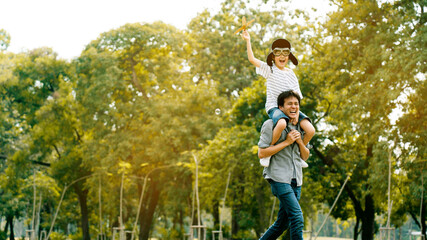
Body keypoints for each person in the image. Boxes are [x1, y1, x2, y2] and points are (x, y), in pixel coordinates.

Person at [241, 30, 315, 167]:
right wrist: (248, 40)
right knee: (281, 124)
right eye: (278, 53)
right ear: (273, 56)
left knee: (310, 130)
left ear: (289, 56)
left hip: (290, 108)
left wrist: (296, 113)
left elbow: (297, 96)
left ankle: (298, 154)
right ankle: (269, 152)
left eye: (285, 54)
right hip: (275, 107)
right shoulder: (270, 69)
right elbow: (252, 59)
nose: (282, 57)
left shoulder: (291, 73)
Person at [257, 90, 309, 240]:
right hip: (278, 177)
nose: (293, 107)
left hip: (296, 180)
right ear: (281, 107)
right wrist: (287, 142)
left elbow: (304, 156)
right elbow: (262, 153)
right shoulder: (270, 125)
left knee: (282, 224)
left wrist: (299, 141)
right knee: (297, 217)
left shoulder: (300, 126)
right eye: (289, 104)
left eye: (296, 104)